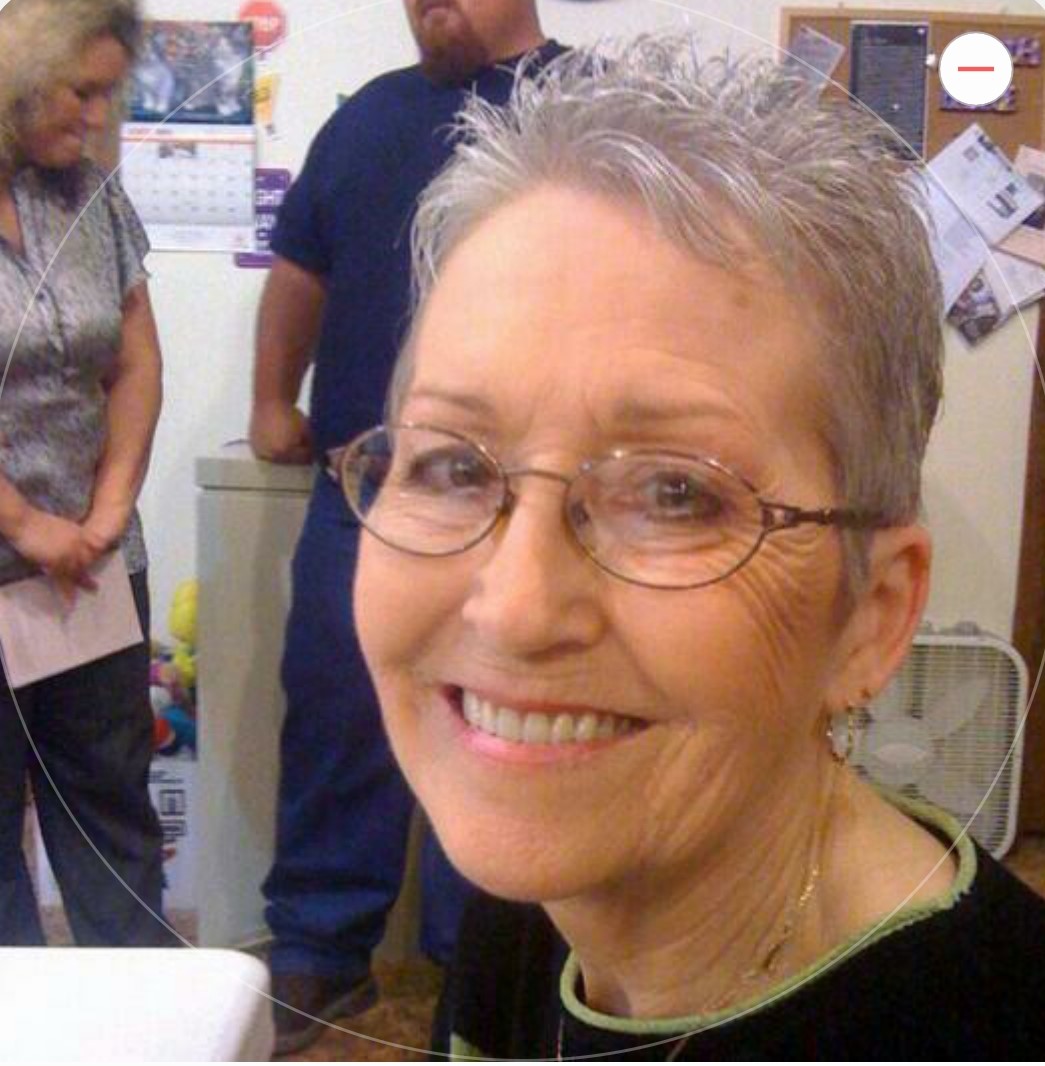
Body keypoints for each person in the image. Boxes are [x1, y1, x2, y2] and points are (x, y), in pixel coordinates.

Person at [343, 36, 1045, 1059]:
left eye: (674, 493)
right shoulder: (537, 904)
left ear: (871, 614)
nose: (515, 607)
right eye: (452, 465)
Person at [249, 0, 567, 1052]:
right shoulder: (366, 118)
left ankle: (478, 975)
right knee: (335, 719)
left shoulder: (590, 105)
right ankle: (318, 953)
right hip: (368, 491)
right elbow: (301, 269)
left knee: (509, 734)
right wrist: (270, 401)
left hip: (522, 500)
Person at [0, 0, 170, 948]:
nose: (100, 115)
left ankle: (147, 1015)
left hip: (95, 567)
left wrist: (106, 514)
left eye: (112, 92)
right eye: (83, 91)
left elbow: (137, 360)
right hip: (13, 559)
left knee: (112, 815)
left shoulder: (93, 197)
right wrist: (26, 526)